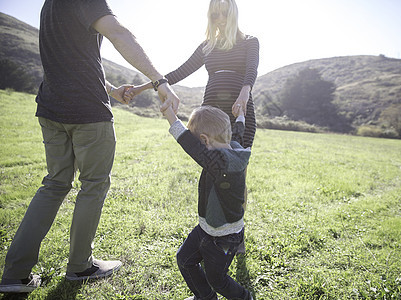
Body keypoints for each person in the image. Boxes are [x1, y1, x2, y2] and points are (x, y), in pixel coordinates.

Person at [0, 0, 179, 294]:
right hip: (87, 113)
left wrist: (111, 90)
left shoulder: (50, 4)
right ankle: (80, 266)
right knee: (93, 185)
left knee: (54, 184)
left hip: (50, 108)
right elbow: (119, 34)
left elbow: (72, 57)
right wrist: (159, 81)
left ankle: (15, 274)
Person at [125, 0, 259, 149]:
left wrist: (244, 94)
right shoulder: (206, 46)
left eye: (225, 13)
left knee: (239, 161)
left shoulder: (250, 42)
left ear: (233, 13)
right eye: (215, 15)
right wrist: (140, 88)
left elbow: (252, 69)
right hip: (211, 109)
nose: (220, 19)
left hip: (239, 107)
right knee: (209, 159)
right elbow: (179, 73)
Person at [161, 104, 252, 300]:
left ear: (204, 140)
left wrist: (170, 115)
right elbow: (238, 134)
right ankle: (206, 297)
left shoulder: (219, 163)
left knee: (217, 279)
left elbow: (189, 145)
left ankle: (244, 298)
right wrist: (241, 116)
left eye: (200, 144)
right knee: (185, 260)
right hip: (206, 228)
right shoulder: (234, 146)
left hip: (225, 238)